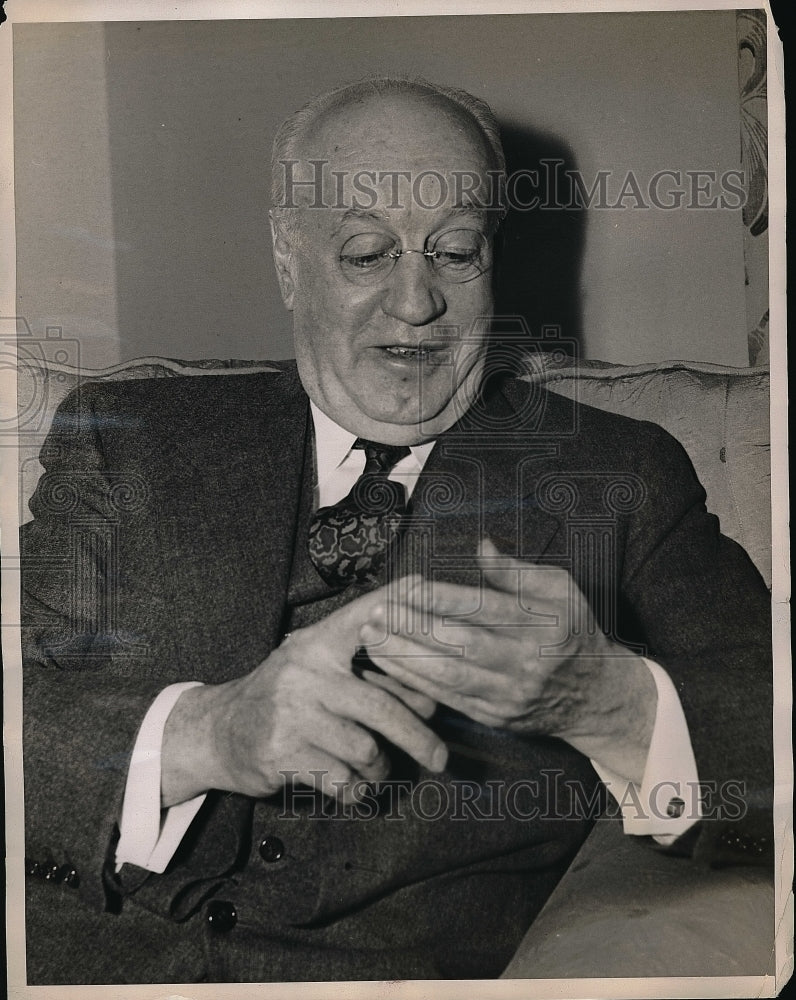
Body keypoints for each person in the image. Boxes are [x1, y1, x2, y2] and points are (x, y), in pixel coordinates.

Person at [21, 77, 773, 985]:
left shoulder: (618, 475)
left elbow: (773, 740)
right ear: (289, 261)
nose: (416, 302)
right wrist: (207, 735)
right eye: (368, 253)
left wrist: (608, 703)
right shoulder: (131, 442)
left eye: (455, 252)